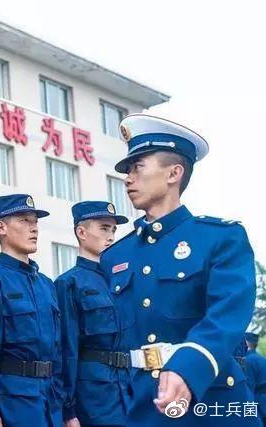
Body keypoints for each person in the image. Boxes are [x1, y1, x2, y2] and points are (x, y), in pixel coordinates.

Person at [100, 114, 258, 426]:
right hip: (143, 405)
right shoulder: (116, 256)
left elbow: (227, 315)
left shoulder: (220, 238)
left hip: (211, 402)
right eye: (127, 171)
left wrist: (189, 365)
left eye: (138, 167)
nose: (128, 178)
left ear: (174, 173)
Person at [0, 194, 63, 427]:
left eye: (35, 222)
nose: (34, 228)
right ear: (1, 227)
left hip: (50, 402)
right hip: (13, 402)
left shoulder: (46, 285)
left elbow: (58, 351)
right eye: (24, 221)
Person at [55, 201, 130, 427]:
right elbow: (66, 349)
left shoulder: (122, 280)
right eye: (104, 228)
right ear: (81, 232)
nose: (111, 236)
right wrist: (68, 409)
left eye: (113, 230)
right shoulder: (69, 283)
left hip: (128, 389)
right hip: (93, 396)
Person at [244, 332, 266, 425]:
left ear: (246, 343)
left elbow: (249, 387)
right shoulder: (262, 359)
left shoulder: (248, 360)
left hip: (259, 406)